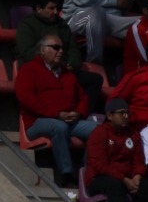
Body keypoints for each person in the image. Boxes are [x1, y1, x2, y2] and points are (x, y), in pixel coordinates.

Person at [15, 28, 93, 186]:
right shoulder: (29, 69)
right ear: (43, 50)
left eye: (62, 48)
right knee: (59, 127)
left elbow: (83, 97)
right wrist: (57, 114)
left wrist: (78, 113)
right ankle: (66, 174)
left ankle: (88, 174)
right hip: (37, 122)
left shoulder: (67, 73)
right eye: (56, 47)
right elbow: (26, 99)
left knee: (98, 130)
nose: (61, 51)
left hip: (68, 120)